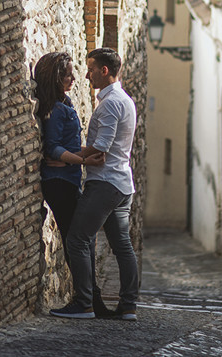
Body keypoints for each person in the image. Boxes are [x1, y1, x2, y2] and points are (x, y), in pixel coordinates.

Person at [50, 47, 139, 321]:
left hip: (106, 184)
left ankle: (84, 303)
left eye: (90, 69)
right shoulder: (124, 100)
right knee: (122, 245)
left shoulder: (111, 103)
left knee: (77, 238)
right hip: (122, 184)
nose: (86, 75)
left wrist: (68, 157)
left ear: (104, 70)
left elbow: (101, 147)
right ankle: (128, 306)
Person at [32, 52, 112, 317]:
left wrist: (85, 155)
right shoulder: (54, 109)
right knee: (75, 240)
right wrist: (78, 160)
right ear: (56, 77)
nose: (74, 78)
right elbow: (53, 148)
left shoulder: (63, 104)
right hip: (59, 183)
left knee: (81, 240)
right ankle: (86, 301)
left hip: (67, 179)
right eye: (68, 74)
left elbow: (64, 149)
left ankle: (91, 299)